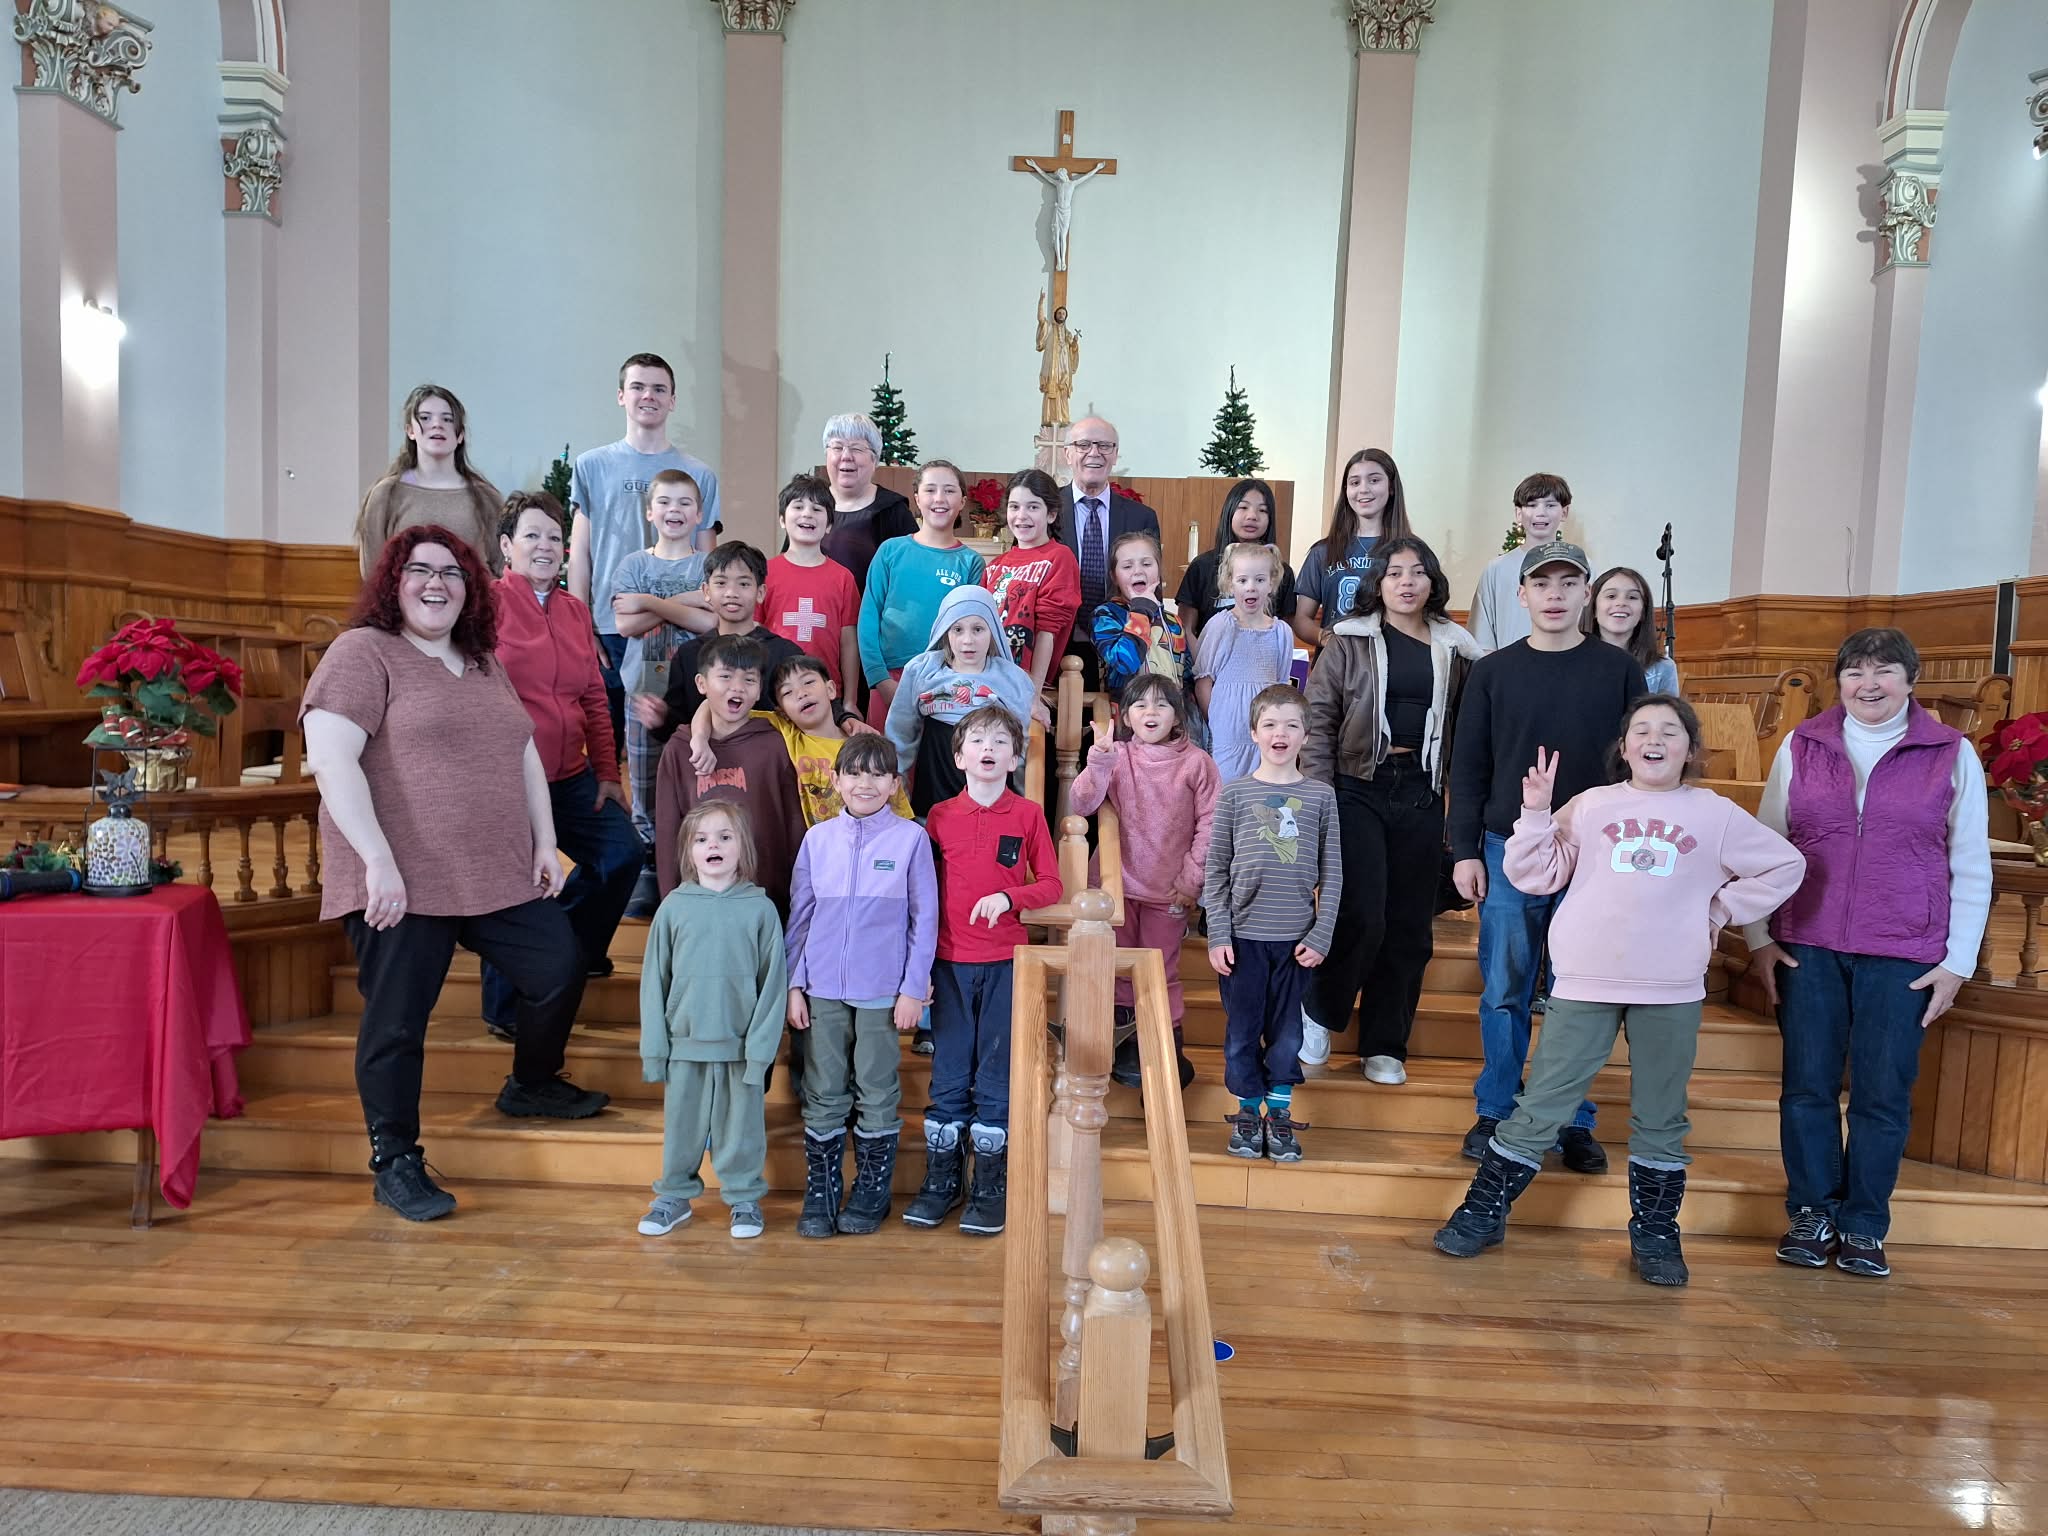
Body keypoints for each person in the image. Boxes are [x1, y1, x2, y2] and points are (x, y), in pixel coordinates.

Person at [1433, 698, 1804, 1285]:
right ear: (1625, 747)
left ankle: (1655, 1232)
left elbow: (1786, 865)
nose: (1654, 740)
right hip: (1587, 976)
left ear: (1690, 748)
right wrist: (1534, 814)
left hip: (1672, 982)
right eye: (1641, 731)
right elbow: (1536, 875)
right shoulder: (1593, 805)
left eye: (1670, 732)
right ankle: (1485, 1210)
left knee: (1661, 1114)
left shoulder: (1717, 814)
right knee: (1543, 1105)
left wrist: (1720, 907)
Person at [301, 526, 609, 1224]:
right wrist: (378, 860)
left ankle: (531, 1081)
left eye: (452, 573)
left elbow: (522, 751)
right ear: (393, 582)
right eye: (419, 570)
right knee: (398, 1022)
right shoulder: (363, 653)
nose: (435, 583)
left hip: (492, 869)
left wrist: (544, 839)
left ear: (472, 589)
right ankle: (395, 1159)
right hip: (400, 879)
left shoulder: (480, 660)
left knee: (559, 965)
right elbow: (332, 761)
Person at [1748, 627, 1990, 1280]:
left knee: (1883, 1093)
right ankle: (1812, 1212)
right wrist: (1759, 937)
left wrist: (1958, 961)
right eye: (1855, 671)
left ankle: (1862, 1225)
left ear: (1911, 680)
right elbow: (1765, 847)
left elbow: (1970, 860)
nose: (1870, 683)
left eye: (1885, 670)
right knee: (1807, 1087)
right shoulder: (1802, 744)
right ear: (1840, 681)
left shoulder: (1950, 752)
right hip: (1808, 944)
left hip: (1905, 950)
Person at [1447, 538, 1645, 1170]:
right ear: (1523, 594)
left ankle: (1568, 1116)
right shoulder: (1493, 671)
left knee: (1577, 993)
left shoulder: (1617, 672)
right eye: (1542, 584)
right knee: (1504, 987)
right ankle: (1498, 1107)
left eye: (1568, 584)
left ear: (1586, 593)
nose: (1554, 595)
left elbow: (1640, 766)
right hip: (1510, 848)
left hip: (1595, 854)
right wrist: (1463, 850)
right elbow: (1469, 766)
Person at [1301, 535, 1484, 1083]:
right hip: (1356, 784)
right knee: (1362, 912)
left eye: (1418, 572)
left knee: (1409, 922)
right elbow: (1317, 724)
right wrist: (1315, 799)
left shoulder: (1458, 647)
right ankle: (1319, 1013)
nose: (1407, 582)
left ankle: (1386, 1042)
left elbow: (1469, 729)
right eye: (1395, 572)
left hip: (1422, 789)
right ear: (1377, 583)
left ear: (1432, 582)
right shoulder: (1347, 642)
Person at [481, 492, 643, 1039]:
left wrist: (606, 773)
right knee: (519, 888)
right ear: (507, 546)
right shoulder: (484, 604)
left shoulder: (575, 611)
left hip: (572, 776)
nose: (546, 546)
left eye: (554, 537)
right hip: (505, 779)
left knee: (622, 853)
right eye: (532, 535)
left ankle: (576, 952)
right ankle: (506, 1009)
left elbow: (595, 698)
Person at [904, 705, 1063, 1237]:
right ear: (959, 755)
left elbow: (1052, 885)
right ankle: (942, 1181)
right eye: (977, 740)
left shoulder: (1028, 815)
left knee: (996, 1076)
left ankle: (990, 1185)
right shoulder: (939, 818)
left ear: (1015, 756)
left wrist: (1009, 896)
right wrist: (917, 967)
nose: (989, 749)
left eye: (1000, 741)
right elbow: (920, 898)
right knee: (949, 1073)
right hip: (947, 964)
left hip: (1005, 964)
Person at [784, 732, 938, 1238]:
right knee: (823, 1088)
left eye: (877, 773)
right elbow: (800, 919)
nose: (864, 783)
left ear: (895, 783)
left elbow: (925, 919)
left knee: (875, 1086)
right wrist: (794, 984)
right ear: (836, 779)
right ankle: (822, 1192)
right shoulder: (817, 840)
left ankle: (871, 1190)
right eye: (854, 772)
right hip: (822, 987)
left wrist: (914, 988)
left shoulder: (911, 839)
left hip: (882, 991)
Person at [635, 801, 787, 1242]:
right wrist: (655, 1051)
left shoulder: (760, 910)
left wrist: (760, 1054)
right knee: (682, 1128)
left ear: (743, 848)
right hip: (684, 1046)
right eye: (702, 839)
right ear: (689, 852)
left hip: (741, 1049)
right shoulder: (672, 909)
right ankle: (674, 1197)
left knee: (741, 1130)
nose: (713, 845)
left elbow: (772, 988)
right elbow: (653, 983)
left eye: (724, 837)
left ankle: (743, 1198)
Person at [1205, 685, 1341, 1164]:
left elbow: (1334, 873)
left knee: (1287, 1036)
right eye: (1270, 724)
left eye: (1291, 725)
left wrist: (1322, 933)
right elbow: (1216, 868)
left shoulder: (1321, 797)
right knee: (1242, 1033)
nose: (1280, 733)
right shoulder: (1236, 794)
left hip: (1297, 943)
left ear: (1306, 735)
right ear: (1253, 732)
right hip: (1242, 942)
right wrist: (1218, 932)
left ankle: (1278, 1113)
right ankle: (1247, 1112)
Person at [1069, 674, 1217, 1090]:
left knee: (1158, 969)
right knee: (1116, 968)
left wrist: (1192, 879)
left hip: (1168, 889)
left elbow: (1212, 823)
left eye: (1161, 705)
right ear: (1126, 715)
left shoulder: (1197, 763)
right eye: (1141, 705)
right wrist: (1097, 759)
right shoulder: (1117, 756)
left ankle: (1165, 1045)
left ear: (1178, 714)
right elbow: (1082, 802)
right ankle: (1122, 1044)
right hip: (1115, 888)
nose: (1151, 712)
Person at [566, 353, 721, 741]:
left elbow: (710, 564)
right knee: (609, 744)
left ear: (672, 400)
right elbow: (579, 550)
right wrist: (580, 624)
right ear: (621, 395)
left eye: (658, 388)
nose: (647, 395)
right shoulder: (591, 466)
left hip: (682, 631)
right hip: (611, 624)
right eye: (637, 386)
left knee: (676, 743)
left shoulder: (699, 474)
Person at [609, 469, 716, 910]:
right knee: (646, 779)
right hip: (643, 692)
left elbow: (711, 620)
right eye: (666, 503)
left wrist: (649, 602)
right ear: (650, 512)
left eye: (685, 503)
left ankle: (691, 865)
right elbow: (623, 622)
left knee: (694, 776)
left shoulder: (706, 566)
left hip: (694, 697)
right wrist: (685, 603)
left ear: (699, 514)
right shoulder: (634, 563)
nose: (675, 511)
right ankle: (649, 868)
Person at [651, 633, 805, 916]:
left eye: (749, 679)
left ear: (760, 690)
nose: (737, 687)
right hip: (698, 906)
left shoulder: (776, 744)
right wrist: (670, 904)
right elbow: (668, 832)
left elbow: (794, 825)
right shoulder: (679, 749)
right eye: (725, 676)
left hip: (767, 905)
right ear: (701, 683)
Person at [684, 653, 910, 829]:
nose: (801, 693)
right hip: (823, 855)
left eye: (808, 682)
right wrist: (700, 738)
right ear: (782, 711)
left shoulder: (866, 745)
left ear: (830, 689)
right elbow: (713, 704)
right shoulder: (789, 732)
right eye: (788, 692)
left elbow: (903, 817)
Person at [886, 585, 1042, 817]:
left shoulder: (1012, 678)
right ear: (944, 632)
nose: (967, 640)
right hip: (935, 783)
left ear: (993, 632)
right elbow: (901, 731)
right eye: (957, 629)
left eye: (978, 629)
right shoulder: (922, 670)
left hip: (990, 792)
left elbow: (1021, 745)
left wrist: (1022, 804)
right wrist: (897, 793)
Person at [859, 460, 987, 728]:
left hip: (945, 682)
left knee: (931, 766)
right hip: (889, 677)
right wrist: (880, 680)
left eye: (949, 490)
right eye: (930, 490)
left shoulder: (970, 562)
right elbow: (868, 619)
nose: (939, 498)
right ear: (917, 498)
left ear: (963, 501)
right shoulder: (890, 551)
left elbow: (971, 629)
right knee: (885, 765)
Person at [645, 541, 802, 751]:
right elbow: (676, 725)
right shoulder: (690, 654)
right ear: (706, 591)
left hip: (767, 768)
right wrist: (659, 718)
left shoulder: (785, 653)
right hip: (704, 769)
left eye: (744, 584)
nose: (731, 592)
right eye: (721, 583)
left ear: (761, 592)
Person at [354, 384, 503, 577]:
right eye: (425, 418)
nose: (437, 424)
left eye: (447, 419)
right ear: (410, 431)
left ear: (460, 435)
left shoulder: (486, 497)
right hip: (405, 606)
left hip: (473, 605)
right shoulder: (386, 494)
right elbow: (373, 574)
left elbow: (501, 569)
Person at [1057, 418, 1160, 688]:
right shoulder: (1047, 511)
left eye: (1104, 445)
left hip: (1122, 645)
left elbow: (1149, 585)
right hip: (1057, 645)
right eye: (1083, 445)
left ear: (1115, 454)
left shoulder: (1141, 517)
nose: (1094, 453)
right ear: (1067, 453)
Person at [1291, 448, 1413, 647]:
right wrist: (1328, 639)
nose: (1363, 489)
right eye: (1355, 482)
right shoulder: (1322, 552)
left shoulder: (1411, 552)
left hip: (1391, 664)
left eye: (1374, 480)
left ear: (1391, 487)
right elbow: (1302, 619)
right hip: (1335, 667)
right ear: (1346, 490)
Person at [1195, 542, 1295, 779]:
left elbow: (1280, 687)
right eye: (1243, 581)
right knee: (1226, 792)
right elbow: (1202, 682)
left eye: (1259, 580)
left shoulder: (1281, 632)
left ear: (1271, 583)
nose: (1251, 587)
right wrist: (1217, 720)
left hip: (1266, 734)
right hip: (1227, 734)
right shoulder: (1221, 626)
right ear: (1230, 584)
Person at [985, 468, 1082, 694]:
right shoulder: (996, 565)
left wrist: (1034, 695)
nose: (1021, 516)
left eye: (1033, 507)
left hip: (1023, 686)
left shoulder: (1059, 557)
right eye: (1014, 506)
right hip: (986, 681)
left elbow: (1048, 631)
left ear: (1051, 514)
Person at [763, 474, 861, 694]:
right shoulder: (765, 573)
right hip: (773, 686)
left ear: (829, 525)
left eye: (817, 509)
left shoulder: (843, 578)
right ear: (782, 519)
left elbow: (848, 643)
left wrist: (850, 700)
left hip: (826, 689)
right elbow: (755, 631)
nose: (807, 514)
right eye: (798, 507)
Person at [1175, 478, 1297, 644]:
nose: (1252, 516)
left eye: (1262, 510)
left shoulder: (1282, 572)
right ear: (1229, 511)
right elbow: (1186, 630)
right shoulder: (1202, 566)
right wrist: (1202, 666)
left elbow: (1285, 633)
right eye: (1243, 507)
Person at [1468, 473, 1571, 653]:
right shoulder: (1496, 569)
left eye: (1550, 505)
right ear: (1518, 513)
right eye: (1532, 505)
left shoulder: (1581, 568)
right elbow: (1482, 639)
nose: (1541, 513)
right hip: (1508, 671)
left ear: (1564, 512)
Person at [817, 413, 916, 593]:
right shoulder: (809, 504)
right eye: (837, 447)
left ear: (875, 459)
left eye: (856, 448)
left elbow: (911, 575)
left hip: (869, 618)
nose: (846, 456)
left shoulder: (892, 510)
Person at [1091, 531, 1192, 700]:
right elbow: (1124, 662)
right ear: (1114, 577)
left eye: (1146, 564)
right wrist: (1141, 610)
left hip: (1171, 715)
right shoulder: (1105, 616)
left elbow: (1185, 676)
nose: (1138, 571)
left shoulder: (1173, 621)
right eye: (1127, 566)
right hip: (1125, 717)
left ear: (1159, 570)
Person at [1587, 565, 1680, 695]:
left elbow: (1668, 714)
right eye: (1611, 596)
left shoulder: (1663, 668)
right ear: (1593, 608)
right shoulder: (1575, 661)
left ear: (1643, 611)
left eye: (1632, 597)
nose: (1621, 603)